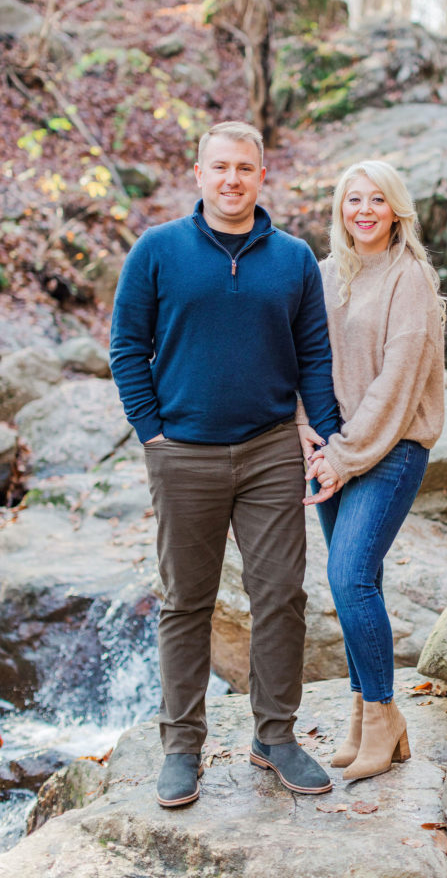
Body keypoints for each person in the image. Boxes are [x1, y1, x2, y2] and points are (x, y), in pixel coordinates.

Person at [109, 120, 339, 807]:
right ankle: (181, 747)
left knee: (282, 598)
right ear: (199, 174)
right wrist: (153, 433)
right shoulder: (157, 251)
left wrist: (326, 437)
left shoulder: (293, 258)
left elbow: (315, 358)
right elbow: (126, 348)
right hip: (182, 453)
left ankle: (275, 737)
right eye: (220, 167)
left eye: (245, 167)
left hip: (271, 449)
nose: (232, 179)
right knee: (186, 603)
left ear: (261, 176)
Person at [298, 160, 446, 783]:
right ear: (340, 210)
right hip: (333, 450)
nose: (363, 210)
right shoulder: (327, 275)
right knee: (357, 581)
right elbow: (302, 356)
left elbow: (395, 383)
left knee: (348, 574)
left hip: (391, 451)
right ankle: (365, 717)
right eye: (352, 200)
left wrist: (343, 456)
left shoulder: (411, 278)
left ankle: (383, 714)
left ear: (395, 210)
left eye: (376, 200)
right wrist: (308, 430)